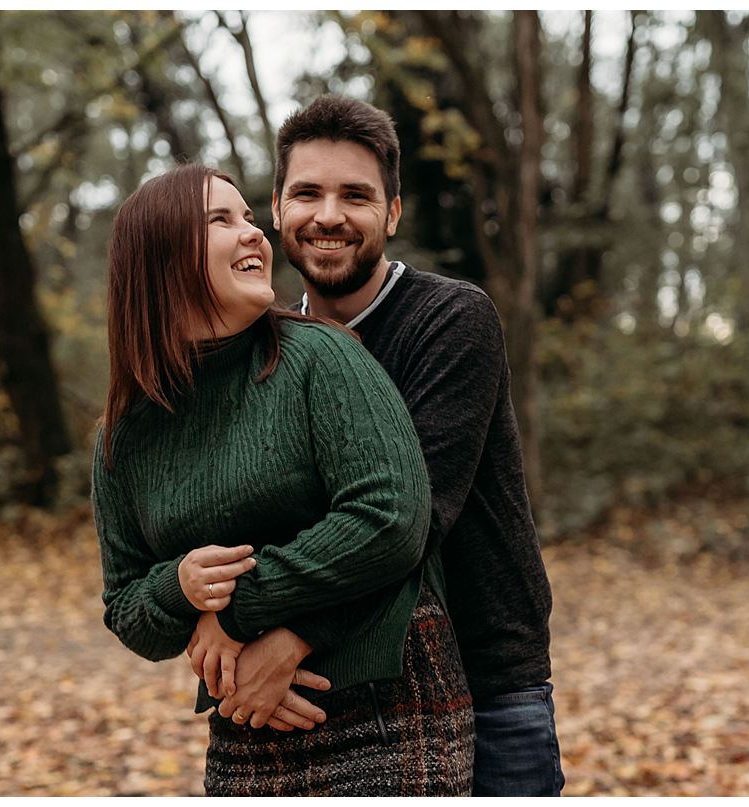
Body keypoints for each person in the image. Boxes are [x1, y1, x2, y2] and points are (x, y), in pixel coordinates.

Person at [210, 96, 566, 796]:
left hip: (487, 680)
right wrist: (205, 621)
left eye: (357, 195)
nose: (329, 215)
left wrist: (281, 633)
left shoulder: (452, 320)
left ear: (393, 214)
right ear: (278, 208)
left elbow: (412, 517)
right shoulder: (264, 348)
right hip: (332, 694)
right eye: (308, 192)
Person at [91, 163, 473, 796]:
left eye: (248, 217)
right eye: (221, 220)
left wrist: (239, 607)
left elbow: (391, 519)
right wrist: (181, 587)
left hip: (384, 701)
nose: (254, 234)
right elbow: (127, 610)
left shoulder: (320, 357)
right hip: (246, 724)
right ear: (158, 257)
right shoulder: (124, 434)